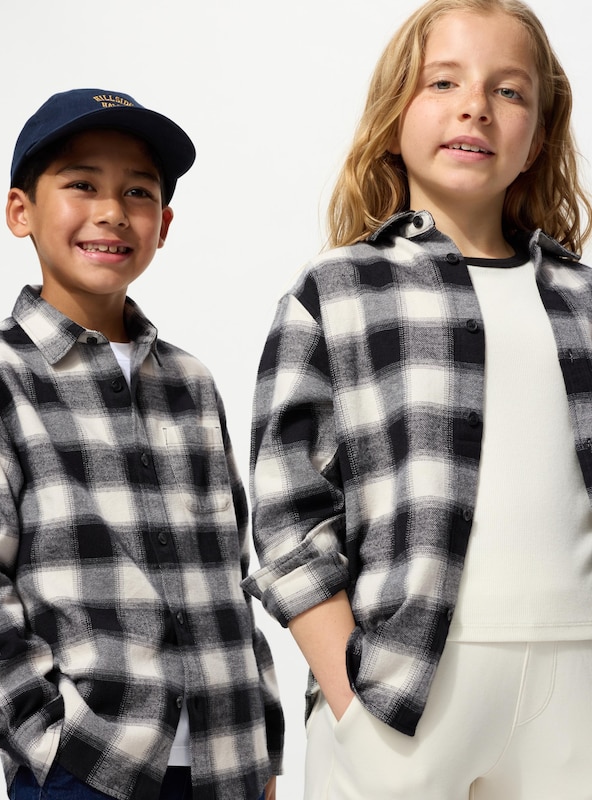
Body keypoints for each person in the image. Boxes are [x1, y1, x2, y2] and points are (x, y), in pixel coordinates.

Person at [242, 0, 592, 797]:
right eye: (444, 82)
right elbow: (288, 509)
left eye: (509, 90)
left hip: (577, 687)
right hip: (404, 694)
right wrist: (347, 695)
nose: (476, 106)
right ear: (394, 117)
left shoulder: (583, 300)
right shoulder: (338, 290)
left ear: (538, 138)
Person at [0, 88, 283, 800]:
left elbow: (232, 575)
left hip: (227, 764)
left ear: (164, 224)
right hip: (85, 771)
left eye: (138, 192)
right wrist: (50, 739)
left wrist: (266, 748)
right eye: (82, 184)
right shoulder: (2, 377)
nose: (112, 212)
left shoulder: (191, 383)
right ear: (20, 211)